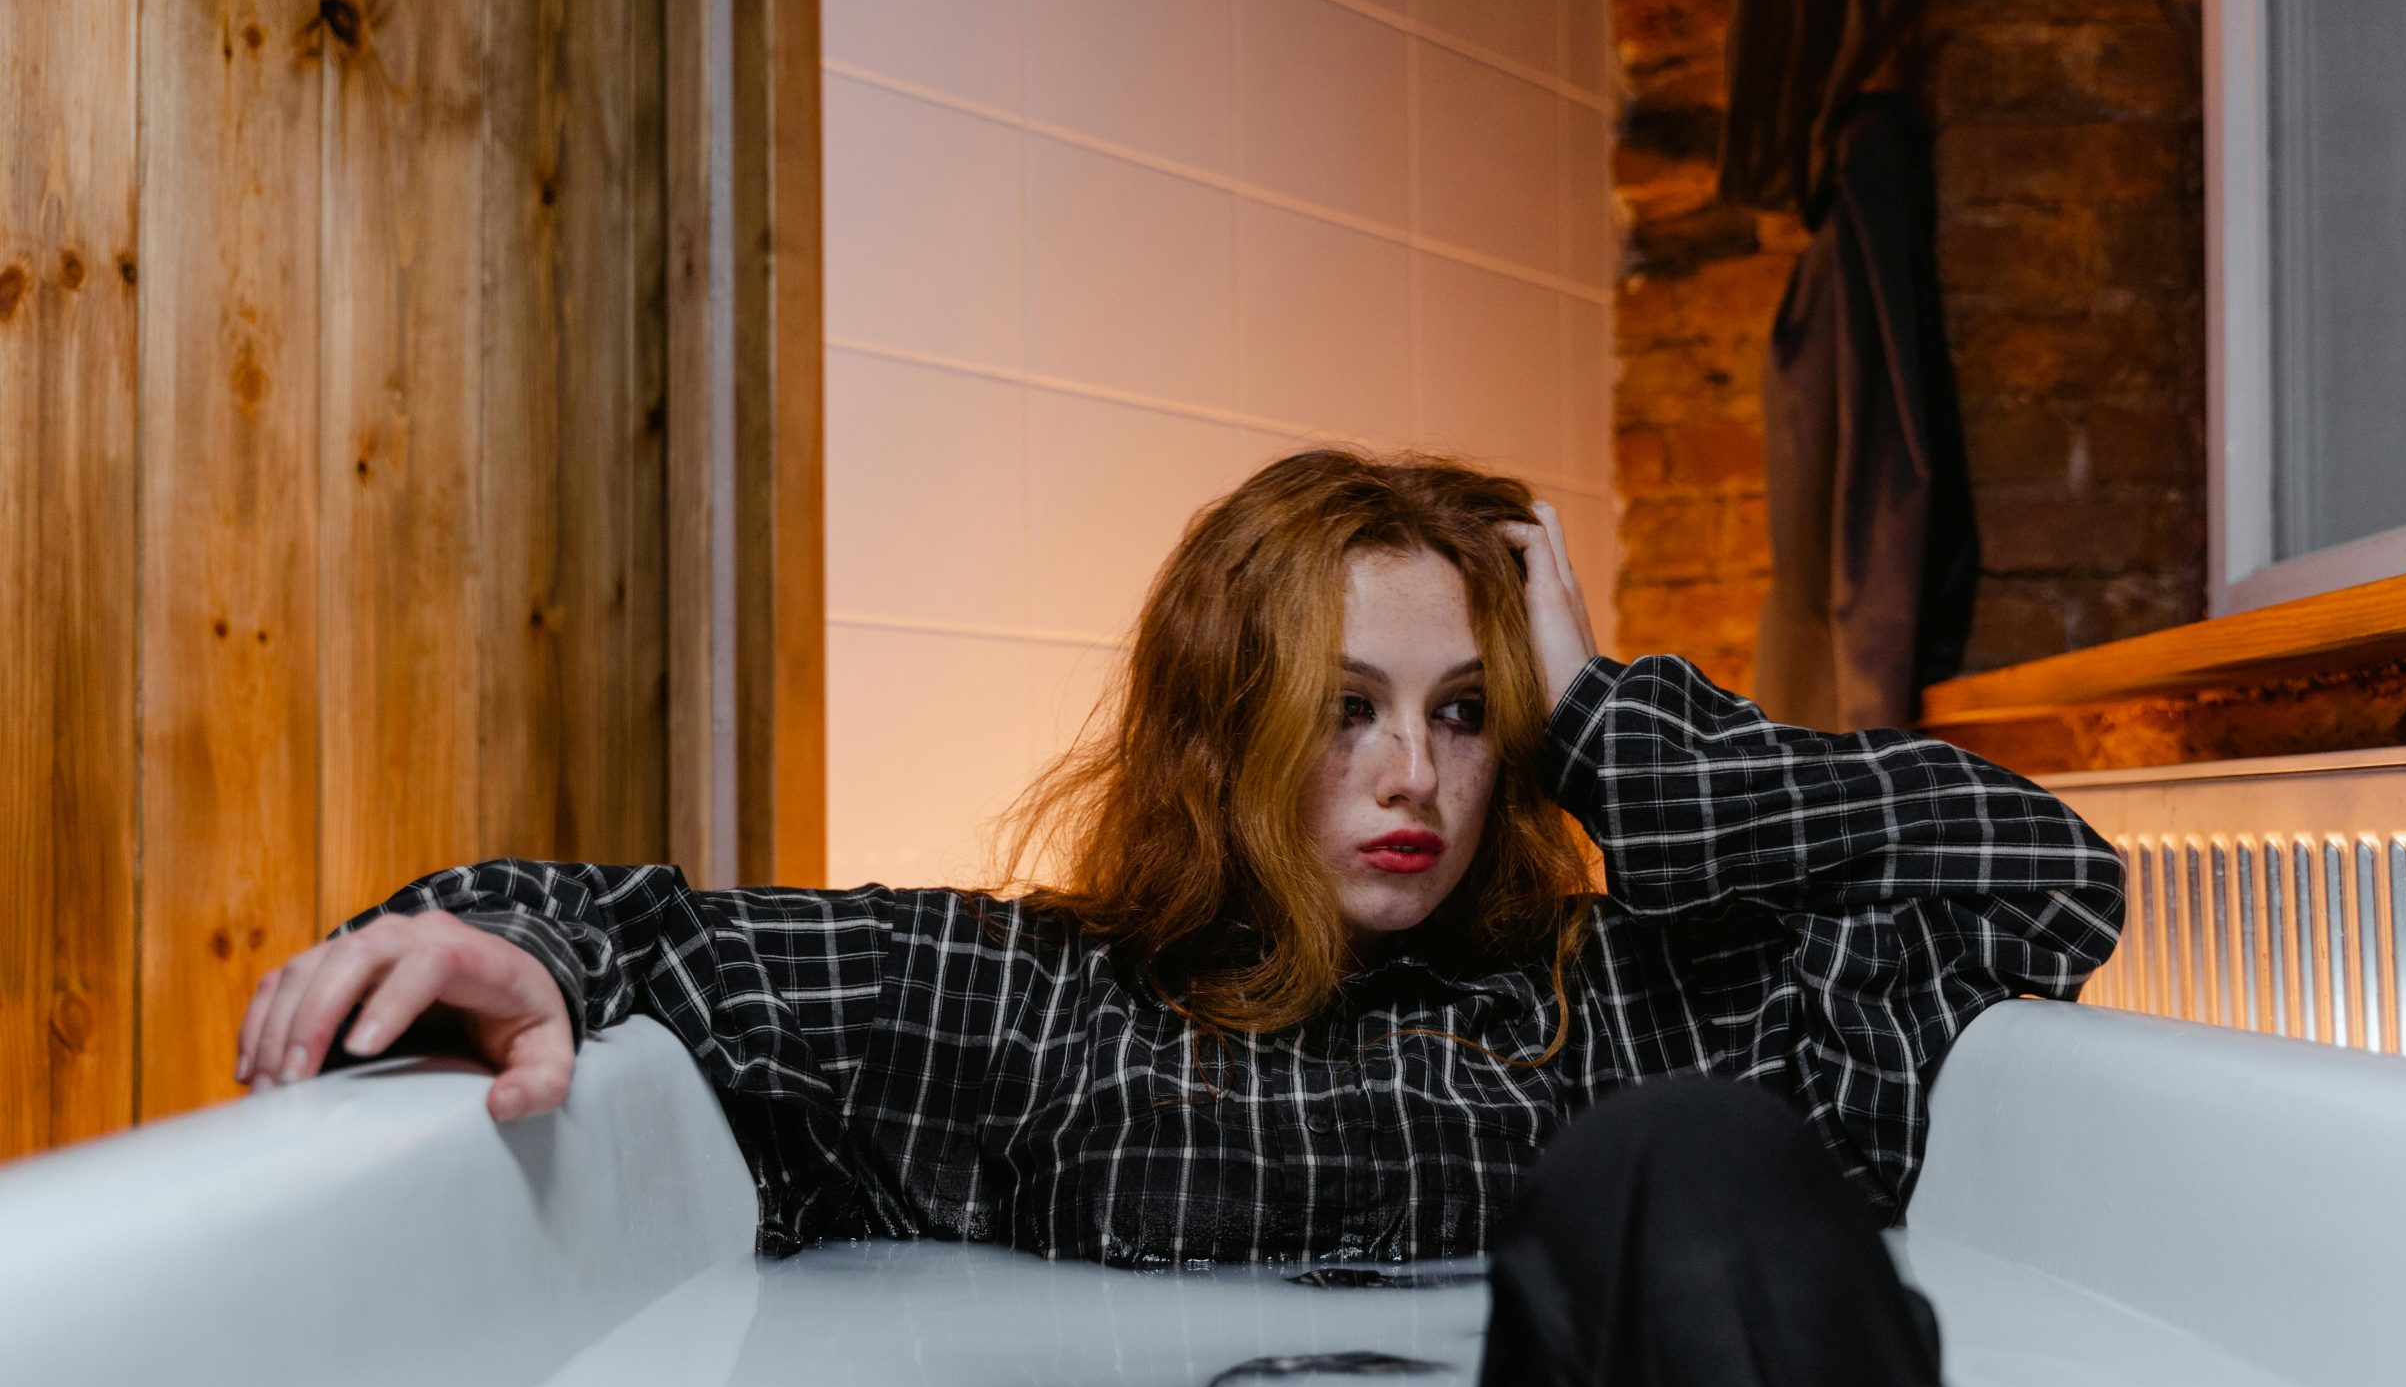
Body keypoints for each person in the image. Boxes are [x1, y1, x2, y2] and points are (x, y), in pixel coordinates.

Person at [231, 448, 2125, 1267]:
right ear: (1220, 735)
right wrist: (508, 953)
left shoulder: (1636, 1008)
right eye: (1342, 708)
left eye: (1472, 712)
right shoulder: (1038, 1006)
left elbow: (2041, 875)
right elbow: (659, 937)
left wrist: (1609, 710)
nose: (1417, 776)